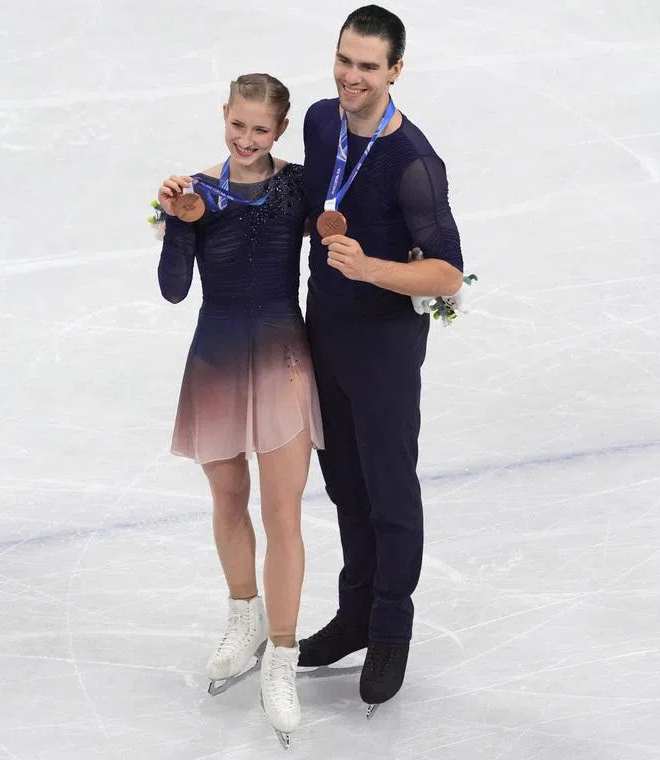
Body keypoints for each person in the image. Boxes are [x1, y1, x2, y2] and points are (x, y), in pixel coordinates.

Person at [297, 5, 465, 714]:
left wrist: (373, 270)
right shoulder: (318, 120)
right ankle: (355, 614)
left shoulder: (413, 164)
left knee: (389, 488)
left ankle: (391, 627)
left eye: (368, 66)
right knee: (342, 482)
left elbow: (448, 275)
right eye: (345, 59)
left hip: (385, 345)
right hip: (323, 330)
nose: (351, 76)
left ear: (396, 71)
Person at [155, 73, 321, 743]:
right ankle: (244, 615)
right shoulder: (197, 192)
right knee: (228, 500)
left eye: (261, 129)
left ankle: (282, 654)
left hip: (283, 352)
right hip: (219, 355)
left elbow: (339, 245)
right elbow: (172, 290)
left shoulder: (298, 185)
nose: (247, 139)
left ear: (279, 130)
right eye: (238, 125)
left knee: (282, 513)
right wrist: (179, 225)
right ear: (223, 116)